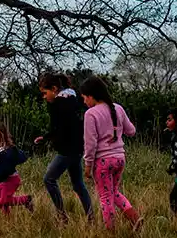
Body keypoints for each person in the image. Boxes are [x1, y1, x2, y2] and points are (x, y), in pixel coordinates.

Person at [80, 76, 143, 231]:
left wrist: (88, 165)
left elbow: (90, 143)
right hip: (120, 159)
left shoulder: (91, 114)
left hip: (102, 161)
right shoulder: (118, 108)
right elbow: (132, 131)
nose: (84, 102)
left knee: (105, 197)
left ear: (91, 96)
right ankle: (134, 218)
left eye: (84, 98)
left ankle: (111, 230)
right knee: (113, 192)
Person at [33, 72, 94, 222]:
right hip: (78, 148)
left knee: (49, 179)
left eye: (44, 93)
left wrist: (50, 138)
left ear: (54, 89)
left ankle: (62, 216)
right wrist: (46, 137)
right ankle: (91, 217)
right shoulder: (74, 100)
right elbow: (71, 125)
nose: (44, 97)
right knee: (78, 185)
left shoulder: (58, 104)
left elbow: (60, 128)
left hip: (66, 150)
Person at [0, 122, 35, 215]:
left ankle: (26, 200)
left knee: (4, 201)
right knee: (1, 202)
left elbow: (7, 167)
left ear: (1, 136)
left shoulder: (7, 151)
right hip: (2, 179)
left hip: (11, 179)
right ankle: (7, 221)